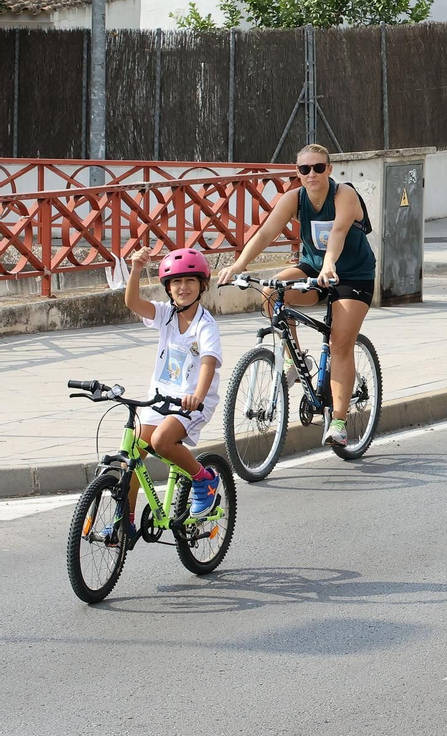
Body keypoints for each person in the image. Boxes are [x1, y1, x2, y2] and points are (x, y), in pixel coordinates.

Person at [216, 144, 376, 447]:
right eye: (305, 169)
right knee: (271, 293)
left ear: (329, 169)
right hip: (314, 269)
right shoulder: (294, 199)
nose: (311, 174)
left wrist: (330, 264)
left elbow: (338, 232)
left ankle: (338, 422)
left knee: (340, 343)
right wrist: (238, 266)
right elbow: (266, 233)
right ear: (298, 173)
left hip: (353, 275)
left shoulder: (344, 195)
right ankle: (295, 359)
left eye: (318, 168)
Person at [108, 247, 223, 544]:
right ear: (168, 288)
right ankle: (125, 520)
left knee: (161, 440)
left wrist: (197, 396)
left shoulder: (205, 325)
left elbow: (208, 362)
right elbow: (132, 302)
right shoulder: (166, 314)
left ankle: (204, 479)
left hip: (192, 401)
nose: (183, 288)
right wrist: (136, 268)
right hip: (161, 398)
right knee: (132, 453)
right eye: (176, 282)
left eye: (190, 281)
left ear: (202, 285)